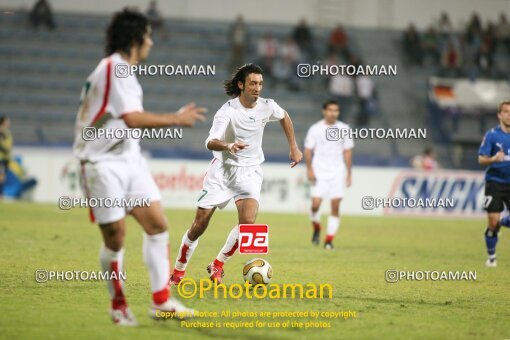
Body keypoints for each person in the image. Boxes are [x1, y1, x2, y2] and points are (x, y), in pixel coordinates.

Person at [72, 8, 206, 326]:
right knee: (116, 238)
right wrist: (176, 119)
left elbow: (127, 120)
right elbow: (132, 119)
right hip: (100, 163)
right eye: (148, 36)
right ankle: (118, 305)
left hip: (129, 158)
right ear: (135, 38)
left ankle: (162, 302)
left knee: (158, 225)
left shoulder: (125, 73)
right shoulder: (113, 69)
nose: (151, 43)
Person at [170, 63, 303, 284]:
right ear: (241, 85)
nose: (257, 88)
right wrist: (228, 145)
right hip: (223, 171)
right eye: (252, 83)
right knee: (199, 225)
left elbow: (284, 116)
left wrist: (294, 146)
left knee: (248, 225)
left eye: (260, 83)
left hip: (250, 172)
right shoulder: (228, 111)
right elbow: (210, 142)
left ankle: (218, 264)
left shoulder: (268, 106)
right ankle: (178, 270)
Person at [304, 100, 353, 249]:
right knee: (315, 205)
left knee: (335, 206)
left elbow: (347, 151)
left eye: (336, 110)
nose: (333, 113)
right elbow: (308, 150)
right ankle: (317, 227)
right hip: (319, 171)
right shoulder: (315, 129)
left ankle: (329, 240)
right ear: (324, 111)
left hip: (337, 172)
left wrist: (349, 173)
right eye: (330, 110)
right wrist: (310, 169)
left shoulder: (344, 129)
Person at [478, 101, 510, 268]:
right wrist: (493, 159)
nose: (509, 114)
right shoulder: (492, 135)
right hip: (495, 182)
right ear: (499, 115)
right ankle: (491, 257)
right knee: (492, 222)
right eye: (506, 111)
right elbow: (481, 158)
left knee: (499, 221)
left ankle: (503, 222)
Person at [0, 115, 13, 198]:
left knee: (3, 176)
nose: (9, 122)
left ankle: (1, 193)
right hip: (1, 158)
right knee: (1, 176)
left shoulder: (6, 131)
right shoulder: (1, 131)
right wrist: (6, 149)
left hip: (6, 158)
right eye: (7, 121)